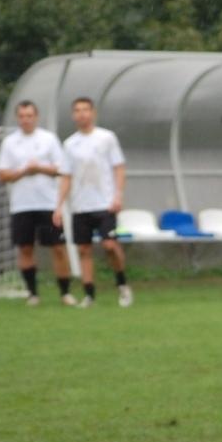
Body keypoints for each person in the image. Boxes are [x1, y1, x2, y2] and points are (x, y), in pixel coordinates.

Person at [52, 97, 132, 308]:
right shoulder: (70, 144)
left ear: (93, 113)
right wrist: (58, 206)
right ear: (73, 115)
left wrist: (118, 195)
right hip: (80, 205)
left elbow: (119, 167)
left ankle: (122, 284)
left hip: (105, 203)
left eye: (85, 110)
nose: (82, 114)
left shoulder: (106, 138)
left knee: (109, 245)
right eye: (77, 110)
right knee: (84, 250)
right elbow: (66, 176)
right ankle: (89, 295)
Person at [0, 100, 72, 306]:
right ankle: (32, 293)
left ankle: (65, 293)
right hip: (21, 205)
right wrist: (22, 171)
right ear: (17, 118)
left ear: (36, 117)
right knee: (25, 248)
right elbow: (1, 174)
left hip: (48, 204)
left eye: (29, 116)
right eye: (22, 116)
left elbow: (62, 168)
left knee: (58, 247)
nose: (26, 120)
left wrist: (39, 168)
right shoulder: (10, 142)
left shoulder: (48, 139)